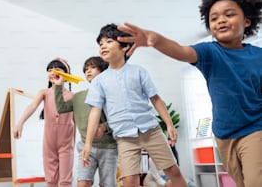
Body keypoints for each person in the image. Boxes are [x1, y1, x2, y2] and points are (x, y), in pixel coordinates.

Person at [117, 0, 262, 186]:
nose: (221, 20)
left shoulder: (258, 56)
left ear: (247, 21)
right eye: (214, 18)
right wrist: (156, 40)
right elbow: (181, 51)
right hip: (224, 135)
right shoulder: (210, 52)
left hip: (255, 129)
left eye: (229, 15)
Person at [81, 23, 187, 187]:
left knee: (173, 170)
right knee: (129, 181)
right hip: (124, 138)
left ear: (124, 47)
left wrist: (169, 123)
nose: (103, 46)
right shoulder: (99, 82)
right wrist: (88, 144)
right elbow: (94, 113)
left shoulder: (139, 71)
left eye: (108, 41)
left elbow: (155, 99)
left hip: (151, 131)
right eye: (100, 44)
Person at [54, 56, 118, 187]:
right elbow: (61, 108)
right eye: (86, 69)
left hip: (109, 148)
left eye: (93, 67)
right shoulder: (78, 97)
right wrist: (59, 85)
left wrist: (104, 127)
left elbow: (118, 119)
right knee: (82, 183)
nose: (88, 71)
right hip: (85, 147)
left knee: (108, 184)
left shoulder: (113, 95)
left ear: (104, 71)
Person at [13, 58, 75, 187]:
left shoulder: (72, 96)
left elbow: (76, 121)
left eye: (57, 70)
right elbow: (32, 106)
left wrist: (77, 141)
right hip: (49, 140)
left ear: (66, 75)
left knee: (65, 180)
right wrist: (20, 123)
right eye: (49, 70)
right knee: (51, 178)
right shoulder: (44, 93)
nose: (53, 72)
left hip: (66, 141)